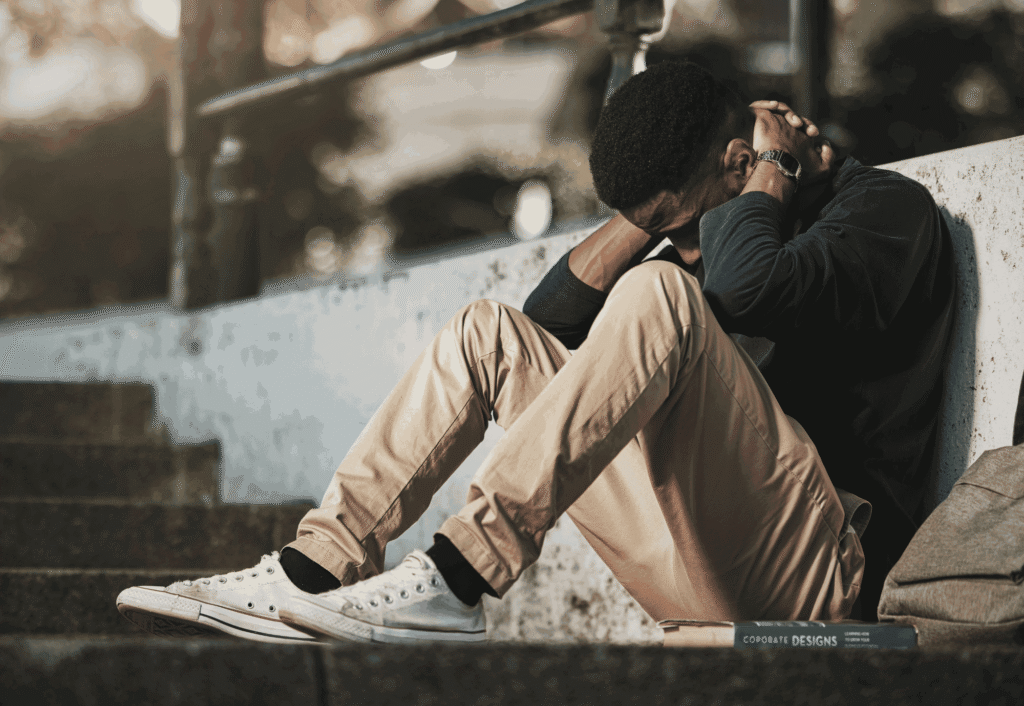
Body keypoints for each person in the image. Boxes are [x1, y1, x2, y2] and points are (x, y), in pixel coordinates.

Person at [117, 61, 955, 644]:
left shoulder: (883, 214)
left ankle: (458, 577)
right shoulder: (713, 230)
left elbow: (746, 288)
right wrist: (652, 208)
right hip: (702, 560)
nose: (677, 246)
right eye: (667, 230)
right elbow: (546, 322)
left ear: (743, 165)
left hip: (826, 575)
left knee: (655, 293)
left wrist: (765, 166)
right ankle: (311, 569)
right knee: (489, 332)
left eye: (679, 223)